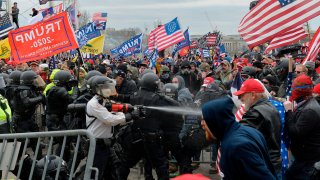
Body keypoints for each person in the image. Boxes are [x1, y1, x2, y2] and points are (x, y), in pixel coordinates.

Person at [201, 96, 277, 179]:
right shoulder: (249, 131)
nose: (202, 123)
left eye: (205, 119)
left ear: (215, 120)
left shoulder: (237, 145)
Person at [119, 73, 174, 180]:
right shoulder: (157, 98)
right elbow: (168, 115)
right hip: (152, 138)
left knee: (125, 163)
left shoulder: (134, 95)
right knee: (161, 165)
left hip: (135, 137)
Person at [86, 76, 139, 180]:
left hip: (107, 144)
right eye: (105, 87)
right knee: (95, 173)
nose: (108, 89)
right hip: (97, 145)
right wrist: (129, 116)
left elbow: (117, 112)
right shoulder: (94, 104)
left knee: (113, 173)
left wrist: (132, 110)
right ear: (97, 89)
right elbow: (110, 119)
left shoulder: (104, 101)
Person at [233, 79, 282, 175]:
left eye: (243, 95)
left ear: (253, 95)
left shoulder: (256, 113)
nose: (241, 98)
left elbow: (237, 134)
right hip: (272, 162)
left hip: (264, 165)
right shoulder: (270, 106)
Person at [284, 74, 320, 179]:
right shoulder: (306, 104)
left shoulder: (310, 110)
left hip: (307, 160)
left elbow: (296, 133)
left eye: (294, 88)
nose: (292, 91)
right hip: (303, 156)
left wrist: (289, 112)